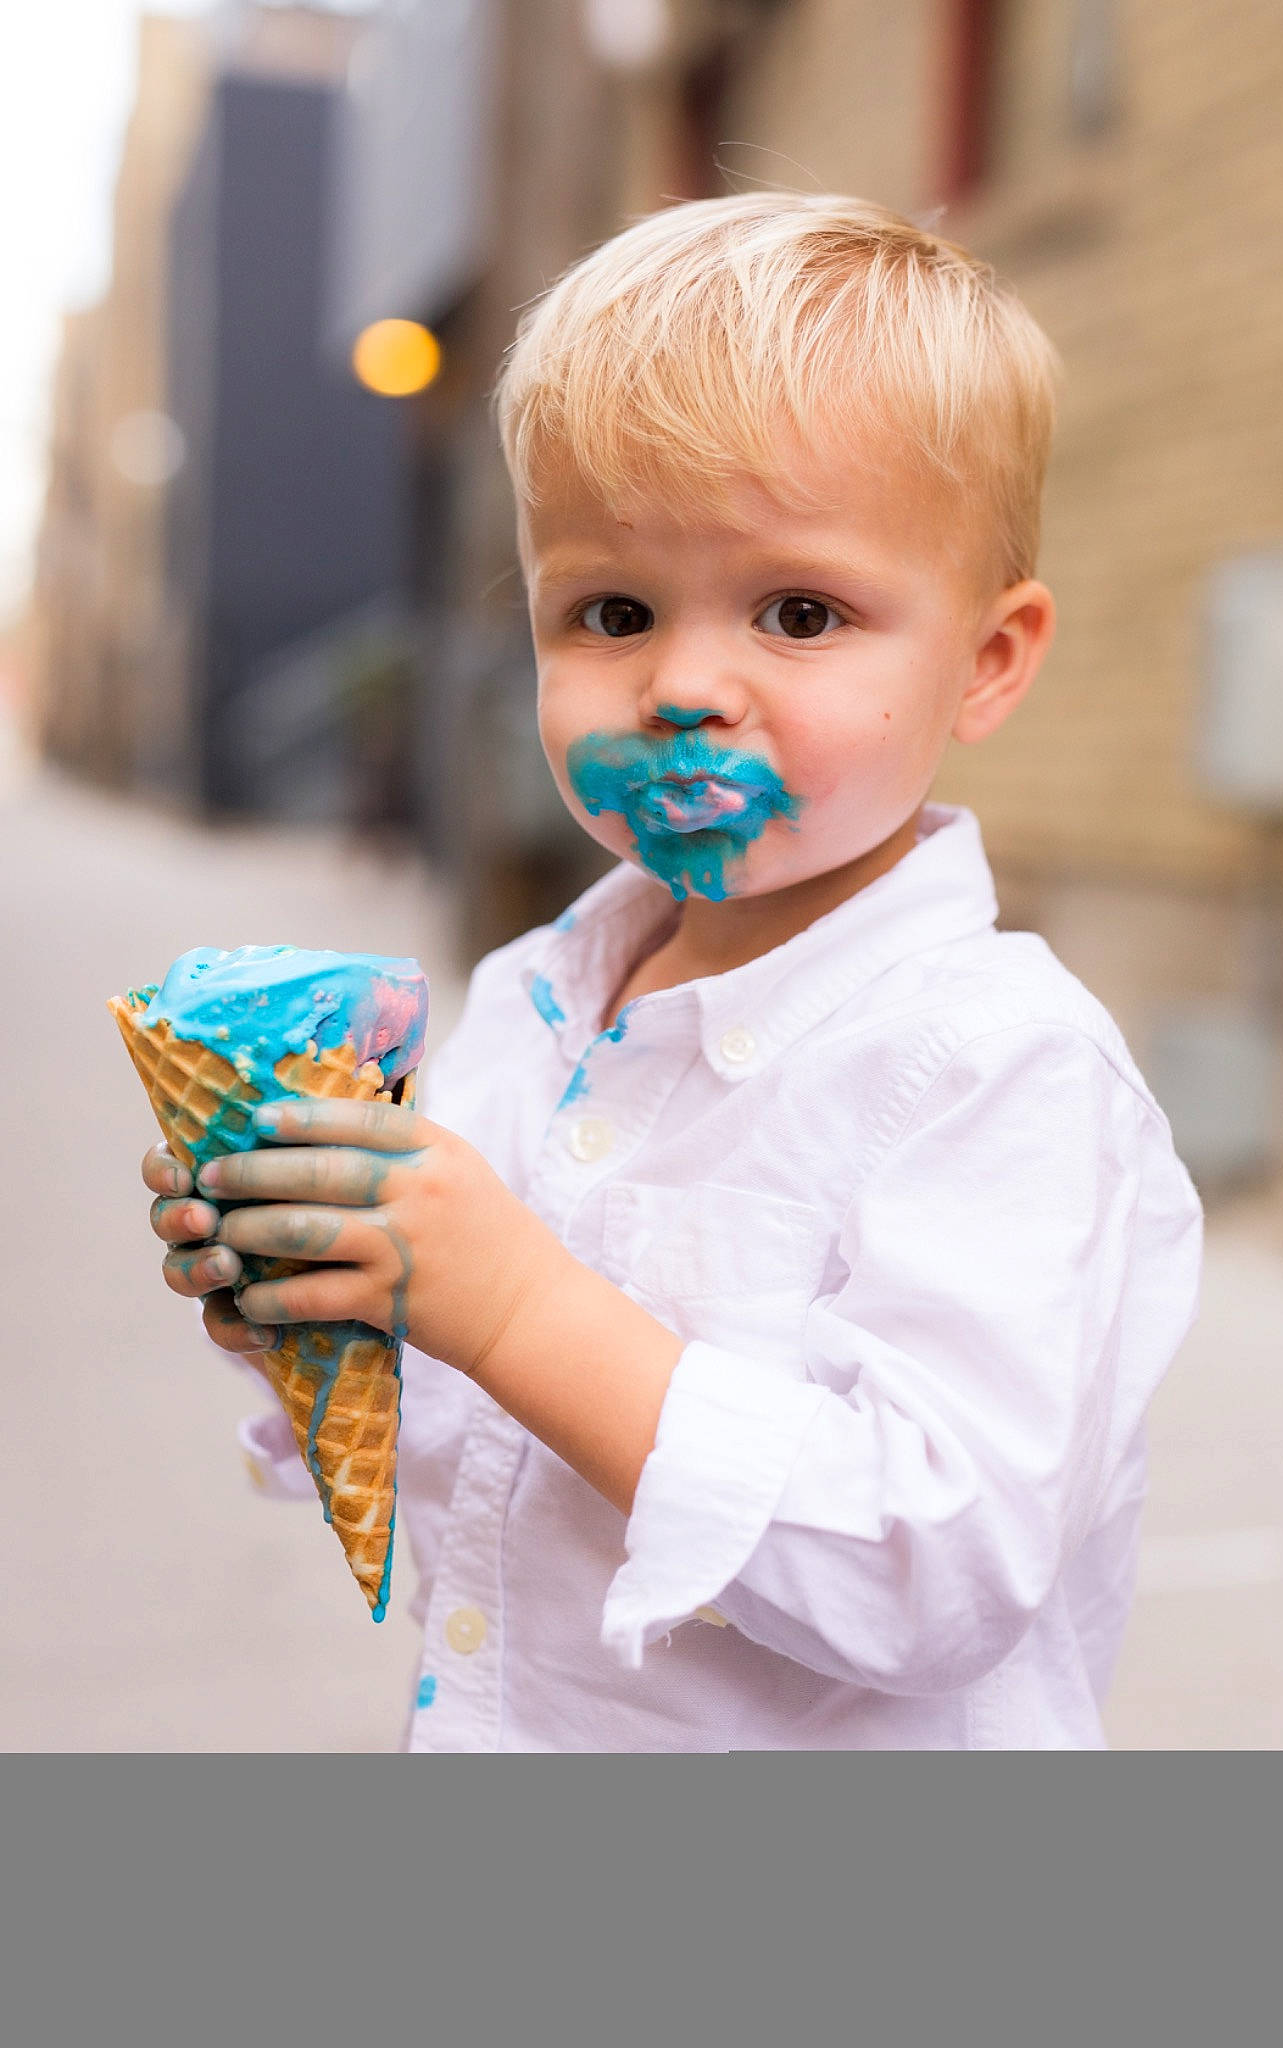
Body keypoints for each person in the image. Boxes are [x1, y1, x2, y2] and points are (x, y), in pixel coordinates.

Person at [143, 192, 1202, 1750]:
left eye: (799, 611)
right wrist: (332, 1300)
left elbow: (939, 1570)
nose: (687, 684)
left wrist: (508, 1304)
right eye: (612, 611)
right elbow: (484, 1463)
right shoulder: (530, 1002)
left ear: (985, 660)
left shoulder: (998, 1065)